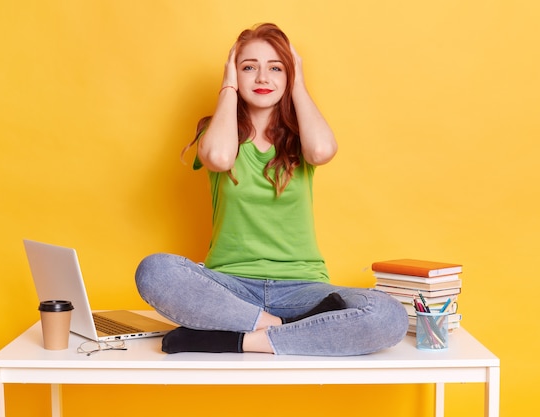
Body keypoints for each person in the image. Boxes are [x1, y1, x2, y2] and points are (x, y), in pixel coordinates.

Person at [135, 23, 408, 356]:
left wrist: (298, 83)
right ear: (234, 75)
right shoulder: (217, 132)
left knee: (388, 315)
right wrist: (228, 87)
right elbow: (219, 158)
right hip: (231, 287)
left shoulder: (302, 137)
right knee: (154, 270)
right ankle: (281, 328)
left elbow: (322, 151)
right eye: (249, 67)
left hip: (304, 289)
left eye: (276, 68)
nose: (262, 78)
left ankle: (235, 340)